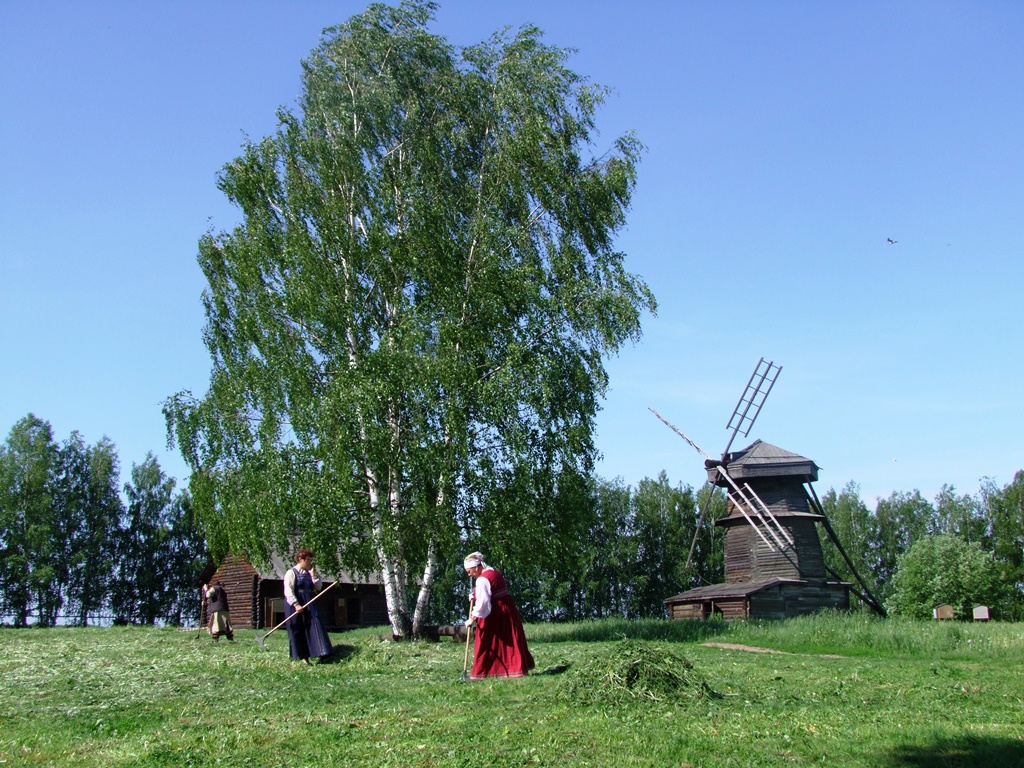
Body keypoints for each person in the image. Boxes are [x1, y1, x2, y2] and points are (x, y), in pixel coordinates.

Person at [464, 551, 535, 680]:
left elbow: (483, 604)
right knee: (510, 639)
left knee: (486, 641)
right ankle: (513, 670)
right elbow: (492, 589)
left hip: (495, 614)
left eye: (469, 571)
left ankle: (482, 673)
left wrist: (472, 618)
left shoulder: (482, 580)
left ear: (476, 567)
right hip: (507, 610)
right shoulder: (494, 572)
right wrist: (475, 593)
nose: (470, 575)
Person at [284, 549, 333, 663]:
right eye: (308, 559)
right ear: (301, 559)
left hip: (309, 603)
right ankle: (302, 657)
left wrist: (313, 575)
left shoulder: (309, 573)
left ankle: (321, 654)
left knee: (314, 626)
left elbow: (318, 587)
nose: (310, 562)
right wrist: (296, 604)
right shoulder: (291, 573)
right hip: (296, 603)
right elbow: (288, 591)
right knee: (298, 629)